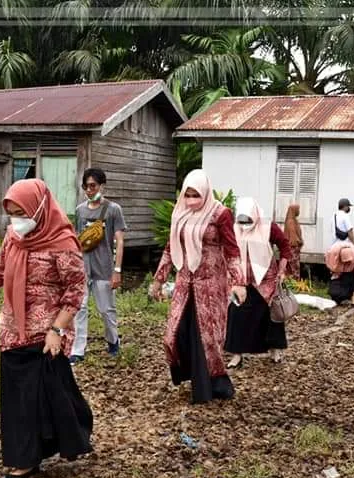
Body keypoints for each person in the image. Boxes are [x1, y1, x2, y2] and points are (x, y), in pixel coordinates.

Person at [0, 179, 93, 478]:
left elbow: (75, 290)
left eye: (21, 213)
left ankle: (51, 446)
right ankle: (26, 457)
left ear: (40, 208)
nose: (17, 220)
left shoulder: (63, 243)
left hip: (46, 334)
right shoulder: (14, 237)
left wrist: (57, 329)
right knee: (19, 399)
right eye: (12, 214)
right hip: (12, 330)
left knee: (47, 396)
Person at [148, 169, 247, 404]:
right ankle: (189, 373)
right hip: (185, 282)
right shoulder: (180, 213)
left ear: (205, 193)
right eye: (188, 194)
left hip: (210, 285)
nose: (192, 200)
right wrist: (158, 280)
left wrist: (239, 282)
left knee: (208, 337)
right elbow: (170, 248)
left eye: (196, 195)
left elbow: (232, 250)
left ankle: (214, 384)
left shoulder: (220, 214)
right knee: (175, 333)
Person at [223, 196, 292, 369]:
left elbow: (285, 246)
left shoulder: (268, 227)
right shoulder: (233, 229)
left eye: (248, 220)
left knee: (271, 316)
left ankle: (275, 350)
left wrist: (282, 270)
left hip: (266, 280)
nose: (244, 224)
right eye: (241, 220)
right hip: (241, 280)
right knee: (236, 314)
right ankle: (236, 354)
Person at [70, 168, 126, 364]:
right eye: (86, 186)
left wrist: (117, 270)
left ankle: (113, 340)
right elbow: (77, 239)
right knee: (80, 308)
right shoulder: (80, 210)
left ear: (102, 185)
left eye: (93, 186)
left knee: (106, 309)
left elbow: (119, 241)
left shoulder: (113, 209)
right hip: (83, 268)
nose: (89, 190)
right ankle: (78, 349)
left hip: (104, 267)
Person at [325, 241, 354, 305]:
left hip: (350, 276)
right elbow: (332, 270)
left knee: (351, 277)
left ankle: (353, 295)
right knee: (334, 292)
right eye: (345, 262)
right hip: (337, 272)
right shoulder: (333, 257)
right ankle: (342, 297)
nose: (347, 264)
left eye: (348, 262)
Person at [282, 203, 304, 279]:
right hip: (293, 249)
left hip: (294, 249)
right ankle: (292, 282)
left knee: (294, 267)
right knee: (292, 267)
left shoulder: (294, 220)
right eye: (298, 209)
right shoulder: (291, 222)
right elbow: (293, 239)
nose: (299, 211)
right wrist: (299, 242)